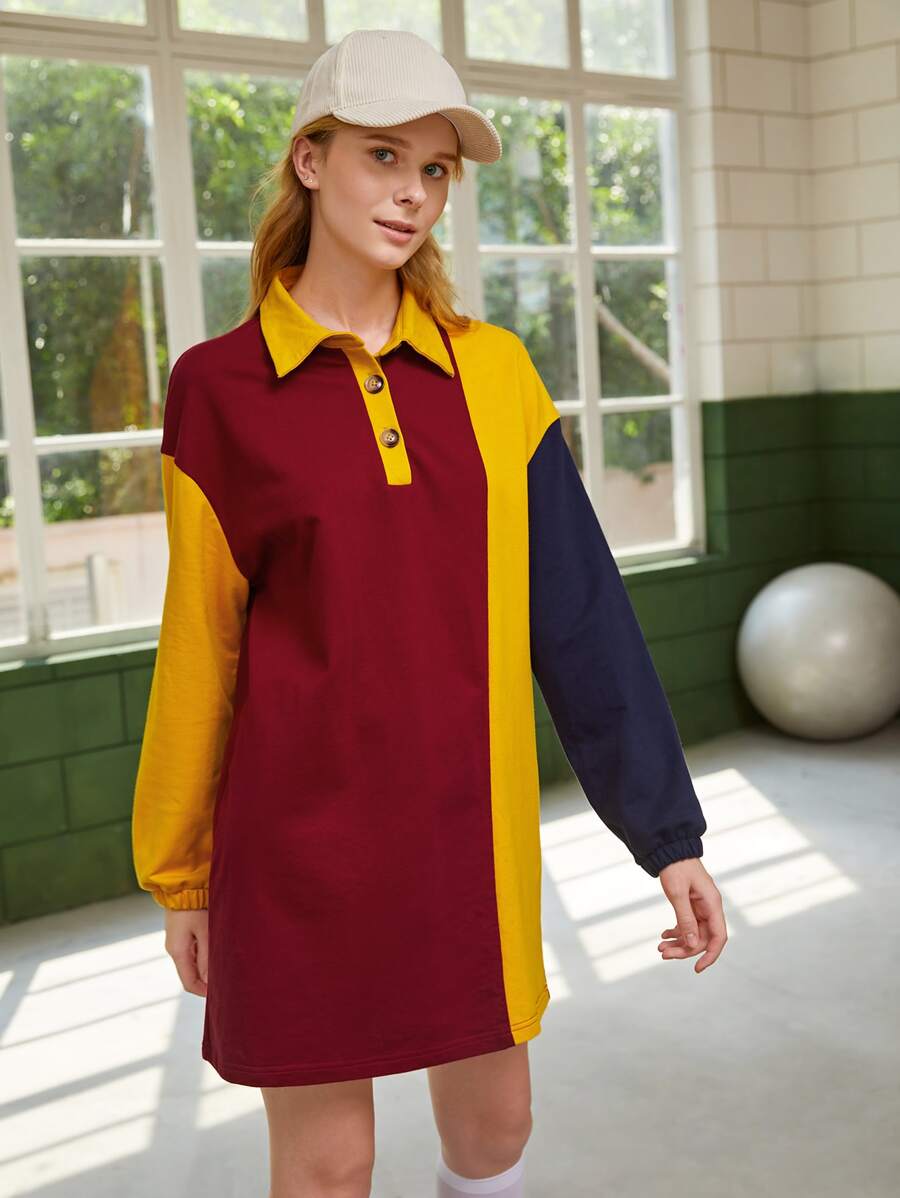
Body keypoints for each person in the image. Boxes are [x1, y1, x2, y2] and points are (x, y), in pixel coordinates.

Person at [131, 26, 728, 1198]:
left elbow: (582, 620)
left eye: (436, 168)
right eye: (383, 156)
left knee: (496, 1130)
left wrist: (669, 836)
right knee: (330, 1166)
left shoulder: (496, 373)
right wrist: (182, 874)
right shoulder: (217, 389)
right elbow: (200, 648)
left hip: (465, 839)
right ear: (310, 160)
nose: (413, 193)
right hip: (292, 850)